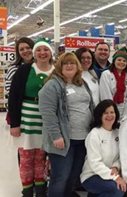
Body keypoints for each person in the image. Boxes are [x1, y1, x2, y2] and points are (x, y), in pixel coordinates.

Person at [38, 52, 94, 197]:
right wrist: (56, 136)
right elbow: (48, 113)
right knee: (60, 177)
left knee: (73, 175)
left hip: (82, 139)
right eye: (66, 63)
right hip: (64, 141)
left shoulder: (82, 83)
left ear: (78, 66)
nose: (69, 66)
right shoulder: (53, 85)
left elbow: (90, 106)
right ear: (59, 66)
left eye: (73, 63)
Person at [8, 39, 54, 197]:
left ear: (51, 53)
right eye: (39, 50)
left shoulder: (56, 71)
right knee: (26, 158)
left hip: (45, 122)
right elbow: (13, 97)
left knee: (41, 158)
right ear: (34, 53)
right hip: (26, 120)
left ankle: (40, 191)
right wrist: (15, 124)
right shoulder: (25, 70)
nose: (42, 53)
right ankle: (27, 191)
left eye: (46, 50)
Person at [80, 99, 126, 197]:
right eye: (105, 113)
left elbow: (120, 156)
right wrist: (115, 177)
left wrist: (115, 166)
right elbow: (95, 163)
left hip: (109, 174)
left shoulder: (118, 132)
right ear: (100, 115)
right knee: (117, 189)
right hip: (92, 175)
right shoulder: (94, 134)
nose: (109, 116)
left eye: (112, 112)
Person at [100, 50, 127, 120]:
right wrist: (111, 113)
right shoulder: (106, 74)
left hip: (125, 111)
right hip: (109, 111)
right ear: (114, 61)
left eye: (124, 61)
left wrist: (125, 116)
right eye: (119, 60)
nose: (121, 62)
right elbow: (105, 95)